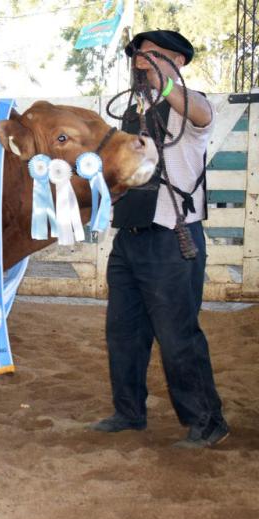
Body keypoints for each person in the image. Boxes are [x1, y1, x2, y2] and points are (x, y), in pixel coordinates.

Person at [89, 30, 229, 449]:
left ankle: (207, 422)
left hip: (173, 239)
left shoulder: (192, 107)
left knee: (177, 335)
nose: (140, 62)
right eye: (138, 56)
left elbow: (200, 111)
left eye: (152, 56)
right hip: (129, 238)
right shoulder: (133, 112)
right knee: (123, 332)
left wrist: (164, 81)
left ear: (177, 61)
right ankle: (129, 413)